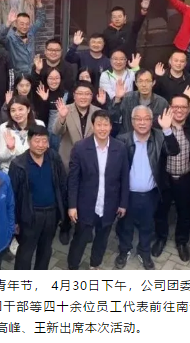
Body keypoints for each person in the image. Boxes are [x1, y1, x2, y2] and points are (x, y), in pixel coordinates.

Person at [115, 107, 179, 270]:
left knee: (147, 226)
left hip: (151, 194)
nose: (142, 122)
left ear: (152, 121)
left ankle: (144, 252)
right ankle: (124, 250)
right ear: (132, 121)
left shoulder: (159, 137)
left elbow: (174, 151)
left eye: (146, 119)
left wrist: (167, 130)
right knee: (125, 226)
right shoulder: (122, 139)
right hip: (127, 194)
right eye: (138, 119)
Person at [67, 110, 130, 270]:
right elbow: (73, 179)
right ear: (93, 126)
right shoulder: (80, 147)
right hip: (85, 204)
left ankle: (95, 264)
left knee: (102, 238)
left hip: (109, 204)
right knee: (80, 239)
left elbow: (124, 178)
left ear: (111, 127)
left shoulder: (120, 148)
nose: (102, 128)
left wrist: (123, 203)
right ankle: (73, 266)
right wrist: (72, 205)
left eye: (106, 125)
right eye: (99, 125)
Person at [152, 93, 190, 261]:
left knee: (185, 213)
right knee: (161, 212)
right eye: (175, 106)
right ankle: (161, 238)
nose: (179, 110)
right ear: (169, 107)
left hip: (186, 177)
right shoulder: (159, 126)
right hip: (165, 177)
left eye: (183, 107)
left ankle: (182, 241)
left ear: (189, 110)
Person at [9, 126, 67, 270]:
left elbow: (62, 184)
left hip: (51, 214)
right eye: (37, 141)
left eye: (44, 141)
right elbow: (13, 195)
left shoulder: (53, 158)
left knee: (46, 250)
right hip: (29, 215)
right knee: (25, 252)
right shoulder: (18, 164)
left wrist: (62, 211)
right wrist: (14, 221)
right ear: (29, 141)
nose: (41, 145)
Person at [52, 81, 101, 171]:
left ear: (92, 96)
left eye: (87, 94)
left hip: (92, 161)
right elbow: (56, 131)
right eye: (80, 93)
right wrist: (62, 118)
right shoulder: (65, 109)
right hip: (68, 160)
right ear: (74, 95)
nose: (83, 97)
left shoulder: (98, 112)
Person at [110, 69, 169, 135]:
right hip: (128, 138)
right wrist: (118, 99)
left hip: (152, 139)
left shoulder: (162, 103)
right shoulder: (127, 98)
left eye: (147, 81)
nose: (144, 85)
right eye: (140, 81)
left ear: (153, 83)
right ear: (136, 83)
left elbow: (165, 126)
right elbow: (113, 118)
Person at [0, 0, 46, 74]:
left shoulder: (31, 32)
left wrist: (38, 2)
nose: (24, 26)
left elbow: (41, 20)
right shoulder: (10, 37)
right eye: (22, 24)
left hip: (32, 73)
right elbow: (0, 38)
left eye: (27, 24)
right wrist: (8, 22)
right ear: (16, 24)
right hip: (18, 75)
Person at [0, 96, 45, 173]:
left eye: (20, 109)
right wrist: (11, 149)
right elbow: (1, 157)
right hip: (10, 169)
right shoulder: (4, 128)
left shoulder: (39, 124)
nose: (17, 113)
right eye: (13, 110)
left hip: (33, 168)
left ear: (28, 109)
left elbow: (44, 151)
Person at [32, 65, 68, 152]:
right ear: (46, 79)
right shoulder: (41, 92)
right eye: (50, 78)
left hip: (61, 133)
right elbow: (41, 118)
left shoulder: (66, 93)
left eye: (57, 78)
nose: (54, 81)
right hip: (45, 133)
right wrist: (44, 101)